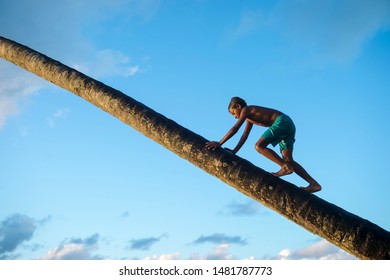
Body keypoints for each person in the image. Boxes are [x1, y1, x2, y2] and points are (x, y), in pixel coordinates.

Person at [205, 97, 322, 193]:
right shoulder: (249, 118)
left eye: (233, 113)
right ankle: (314, 184)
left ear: (238, 106)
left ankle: (285, 167)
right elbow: (244, 135)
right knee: (288, 159)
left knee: (259, 146)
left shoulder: (247, 110)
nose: (235, 117)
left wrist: (219, 143)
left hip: (281, 121)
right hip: (289, 124)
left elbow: (235, 129)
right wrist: (235, 151)